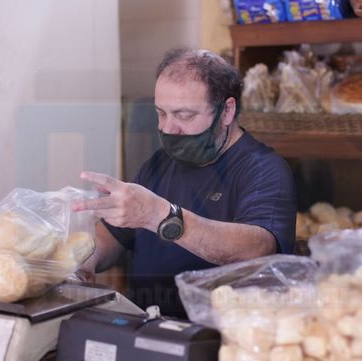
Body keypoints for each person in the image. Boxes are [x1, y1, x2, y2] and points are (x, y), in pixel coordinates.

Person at [72, 48, 296, 318]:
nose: (168, 129)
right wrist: (82, 261)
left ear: (226, 112)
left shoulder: (263, 169)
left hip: (219, 338)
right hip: (149, 326)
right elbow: (114, 235)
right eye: (161, 113)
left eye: (184, 115)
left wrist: (160, 216)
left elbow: (256, 249)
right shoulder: (160, 163)